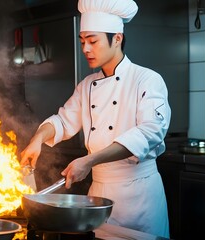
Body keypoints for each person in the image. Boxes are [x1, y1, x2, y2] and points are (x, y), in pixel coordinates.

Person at [20, 0, 171, 238]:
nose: (86, 49)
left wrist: (90, 160)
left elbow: (149, 133)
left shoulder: (147, 79)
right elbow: (62, 120)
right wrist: (38, 139)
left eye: (93, 41)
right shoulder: (87, 85)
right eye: (82, 42)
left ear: (117, 38)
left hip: (140, 197)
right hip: (98, 197)